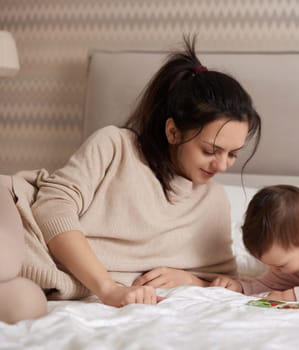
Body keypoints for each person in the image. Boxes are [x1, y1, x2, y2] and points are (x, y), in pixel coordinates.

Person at [0, 35, 262, 324]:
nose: (222, 165)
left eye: (233, 154)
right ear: (173, 132)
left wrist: (190, 279)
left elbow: (225, 280)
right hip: (15, 216)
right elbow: (52, 206)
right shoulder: (115, 145)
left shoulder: (213, 202)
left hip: (39, 278)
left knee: (25, 308)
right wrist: (108, 289)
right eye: (211, 150)